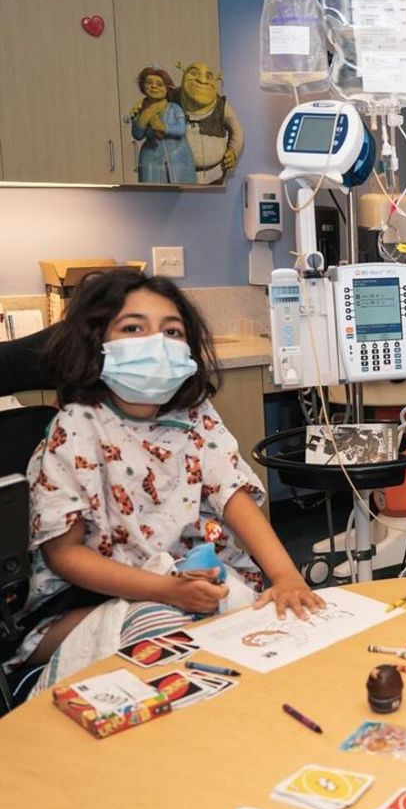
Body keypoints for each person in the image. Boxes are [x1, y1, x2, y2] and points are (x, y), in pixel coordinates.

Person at [10, 270, 323, 680]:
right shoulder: (77, 427)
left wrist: (286, 577)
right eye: (133, 327)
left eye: (172, 331)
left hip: (195, 586)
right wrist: (166, 591)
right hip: (86, 605)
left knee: (281, 628)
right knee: (170, 640)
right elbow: (64, 554)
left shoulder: (195, 418)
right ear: (96, 342)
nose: (155, 343)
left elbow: (233, 496)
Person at [129, 66, 196, 184]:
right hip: (151, 158)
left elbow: (181, 129)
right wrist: (144, 116)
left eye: (160, 84)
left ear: (167, 88)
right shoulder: (142, 111)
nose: (154, 86)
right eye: (149, 83)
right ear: (142, 86)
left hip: (178, 156)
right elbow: (137, 134)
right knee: (152, 193)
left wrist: (163, 127)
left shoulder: (174, 108)